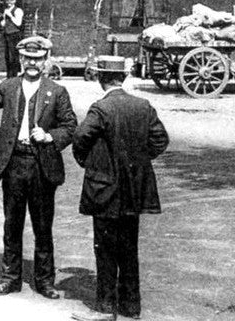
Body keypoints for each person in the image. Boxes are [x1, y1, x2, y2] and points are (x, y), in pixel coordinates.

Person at [0, 36, 77, 300]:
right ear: (20, 59)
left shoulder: (57, 91)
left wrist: (50, 136)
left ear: (45, 61)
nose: (32, 63)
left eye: (38, 59)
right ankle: (10, 279)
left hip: (42, 165)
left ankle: (44, 282)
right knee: (12, 224)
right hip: (14, 164)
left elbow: (70, 126)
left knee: (43, 226)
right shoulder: (8, 87)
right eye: (28, 58)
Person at [70, 56, 169, 321]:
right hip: (134, 190)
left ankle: (104, 309)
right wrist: (136, 161)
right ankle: (131, 308)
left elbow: (80, 138)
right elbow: (160, 140)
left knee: (104, 249)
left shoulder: (100, 108)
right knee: (129, 248)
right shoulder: (143, 106)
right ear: (122, 78)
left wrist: (91, 163)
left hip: (104, 190)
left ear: (101, 79)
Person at [1, 0, 24, 78]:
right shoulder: (6, 10)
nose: (9, 2)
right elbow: (4, 22)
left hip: (14, 35)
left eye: (11, 0)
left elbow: (18, 23)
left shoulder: (18, 10)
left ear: (14, 1)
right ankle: (9, 75)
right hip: (7, 34)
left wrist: (10, 15)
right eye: (7, 0)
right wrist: (3, 23)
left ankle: (14, 75)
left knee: (13, 56)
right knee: (7, 56)